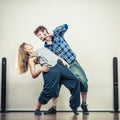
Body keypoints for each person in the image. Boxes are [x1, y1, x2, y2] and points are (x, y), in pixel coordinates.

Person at [34, 24, 89, 115]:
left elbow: (65, 26)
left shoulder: (57, 35)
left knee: (83, 81)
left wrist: (53, 33)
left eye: (40, 34)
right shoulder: (46, 48)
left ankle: (83, 105)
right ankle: (53, 108)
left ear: (45, 31)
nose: (39, 37)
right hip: (60, 67)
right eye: (38, 36)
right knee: (55, 87)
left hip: (72, 63)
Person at [17, 42, 80, 115]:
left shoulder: (42, 49)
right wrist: (40, 69)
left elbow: (54, 56)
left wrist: (63, 61)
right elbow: (33, 75)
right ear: (25, 50)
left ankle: (74, 106)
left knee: (75, 81)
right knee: (48, 91)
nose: (29, 44)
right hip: (50, 70)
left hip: (59, 65)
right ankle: (37, 109)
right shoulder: (31, 59)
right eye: (26, 45)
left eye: (28, 43)